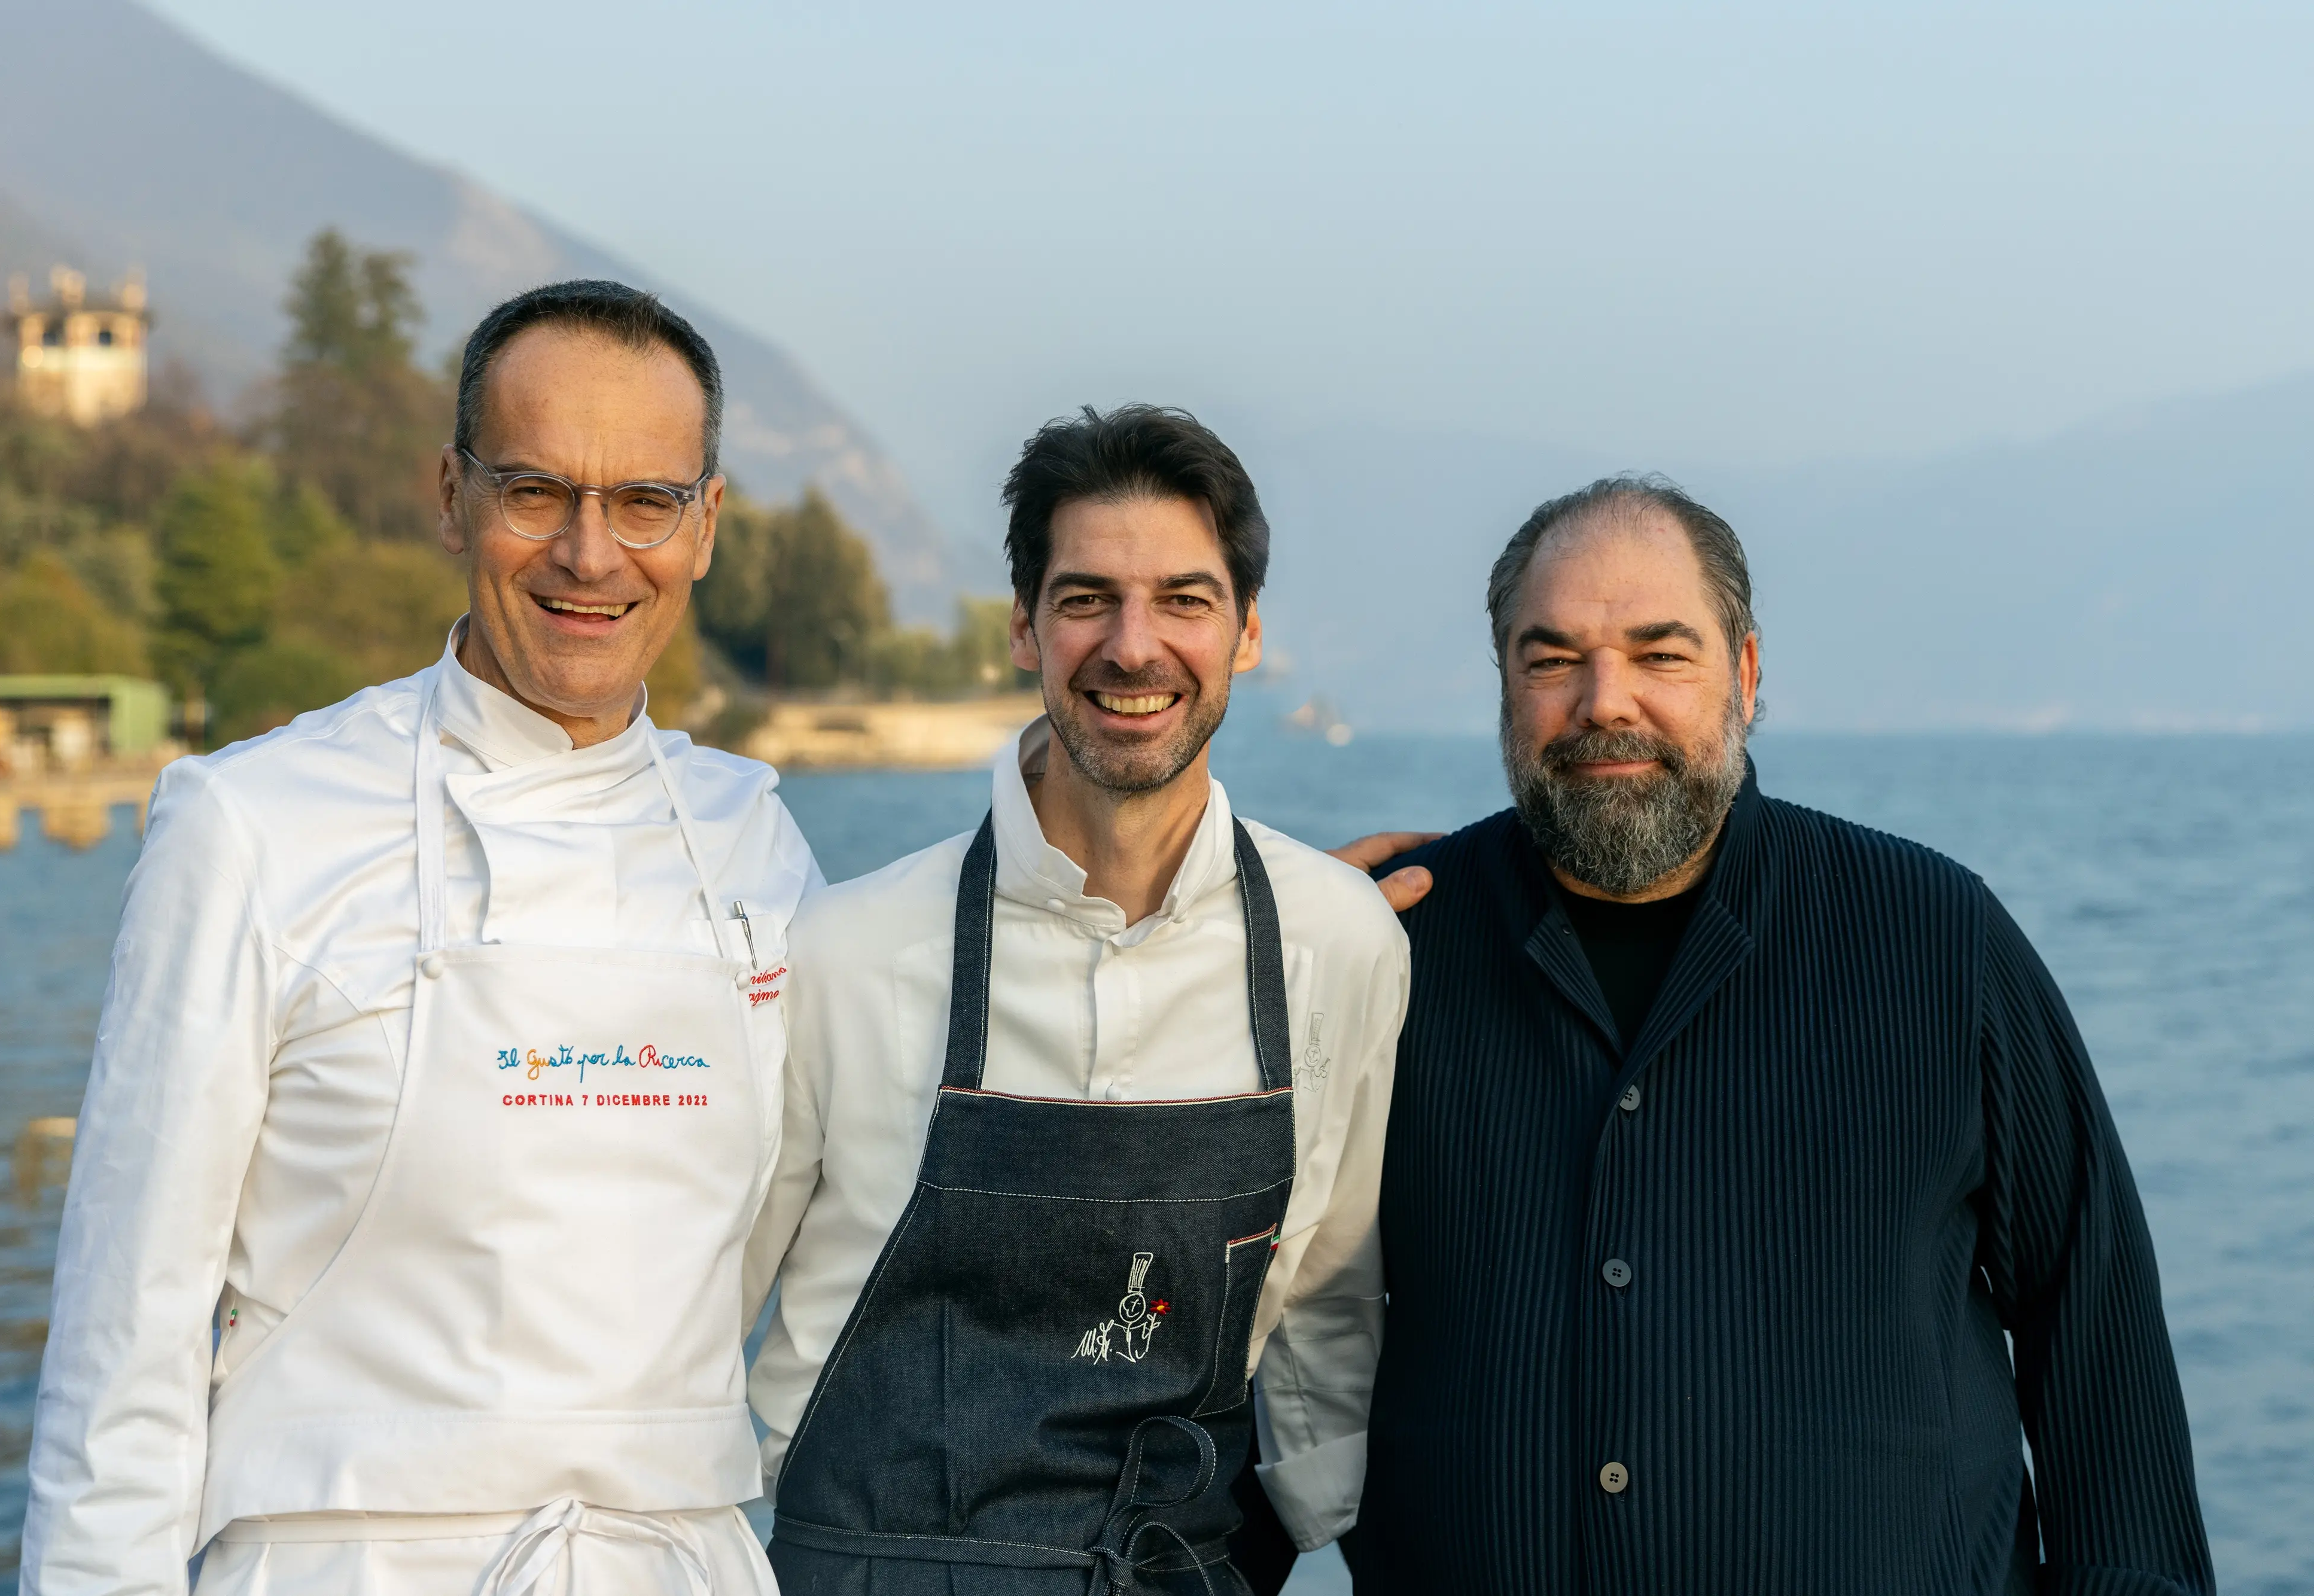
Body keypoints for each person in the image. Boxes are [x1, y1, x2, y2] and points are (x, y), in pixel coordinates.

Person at [22, 281, 816, 1595]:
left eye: (642, 502)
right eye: (534, 491)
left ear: (705, 524)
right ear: (450, 496)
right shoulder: (254, 822)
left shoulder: (756, 844)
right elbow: (127, 1338)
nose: (588, 554)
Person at [1350, 476, 2214, 1592]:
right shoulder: (1383, 951)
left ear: (1746, 676)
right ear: (1506, 685)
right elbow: (1239, 1313)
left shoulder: (1941, 942)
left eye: (1661, 655)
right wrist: (1256, 970)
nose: (1604, 701)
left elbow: (2098, 1329)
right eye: (1552, 657)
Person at [744, 405, 1409, 1594]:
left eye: (1185, 599)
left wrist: (1335, 1523)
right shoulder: (843, 952)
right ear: (1023, 626)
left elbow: (1323, 1291)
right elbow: (705, 1315)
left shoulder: (1335, 942)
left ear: (1246, 632)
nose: (1133, 644)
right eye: (1087, 596)